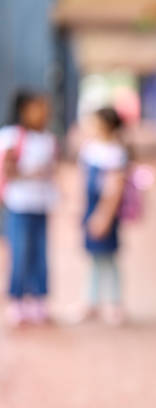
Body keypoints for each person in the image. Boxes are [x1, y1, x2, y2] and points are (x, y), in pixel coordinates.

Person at [0, 90, 57, 327]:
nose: (44, 113)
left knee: (40, 255)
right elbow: (8, 169)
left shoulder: (47, 138)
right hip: (19, 205)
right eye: (37, 107)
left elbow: (52, 170)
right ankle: (17, 300)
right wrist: (30, 172)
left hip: (41, 204)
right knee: (20, 253)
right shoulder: (12, 136)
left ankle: (38, 300)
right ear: (23, 110)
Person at [78, 107, 128, 325]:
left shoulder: (115, 153)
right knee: (96, 259)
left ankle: (114, 304)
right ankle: (92, 301)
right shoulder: (90, 149)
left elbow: (114, 189)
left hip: (104, 211)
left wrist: (104, 216)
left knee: (108, 259)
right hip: (91, 208)